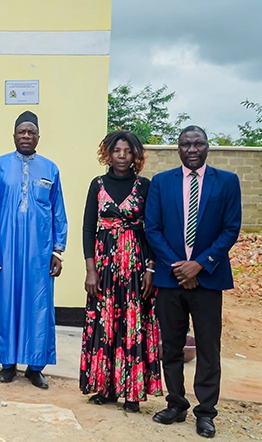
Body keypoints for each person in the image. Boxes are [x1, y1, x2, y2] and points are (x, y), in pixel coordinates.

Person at [146, 125, 241, 439]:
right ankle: (176, 404)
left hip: (209, 279)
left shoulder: (227, 182)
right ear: (178, 148)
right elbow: (153, 229)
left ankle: (205, 413)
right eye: (186, 144)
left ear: (207, 146)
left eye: (198, 143)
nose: (192, 149)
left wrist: (199, 265)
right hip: (171, 280)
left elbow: (231, 229)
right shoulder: (161, 183)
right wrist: (179, 267)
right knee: (171, 346)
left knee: (208, 348)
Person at [0, 110, 68, 389]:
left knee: (38, 305)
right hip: (5, 249)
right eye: (22, 131)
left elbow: (58, 213)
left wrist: (57, 251)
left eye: (31, 132)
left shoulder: (50, 169)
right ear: (14, 135)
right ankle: (7, 363)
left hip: (39, 254)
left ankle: (35, 366)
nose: (26, 136)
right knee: (5, 303)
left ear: (38, 136)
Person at [79, 130, 162, 412]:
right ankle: (105, 388)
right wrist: (91, 270)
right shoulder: (98, 184)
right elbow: (89, 227)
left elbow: (151, 230)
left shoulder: (145, 186)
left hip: (136, 265)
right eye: (117, 151)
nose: (122, 156)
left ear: (135, 155)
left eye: (128, 151)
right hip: (103, 267)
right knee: (104, 324)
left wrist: (151, 268)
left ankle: (132, 392)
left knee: (132, 325)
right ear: (108, 154)